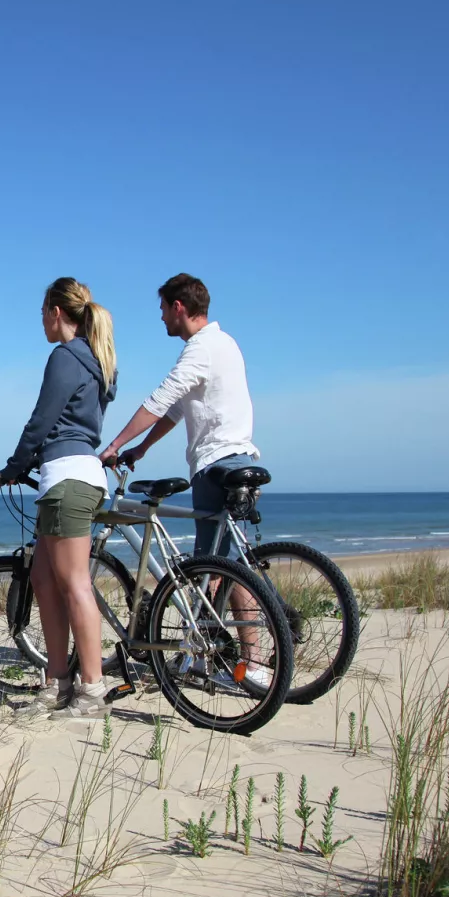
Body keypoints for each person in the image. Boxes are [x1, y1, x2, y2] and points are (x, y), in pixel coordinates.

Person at [100, 272, 270, 688]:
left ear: (179, 307)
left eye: (162, 310)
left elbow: (159, 401)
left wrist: (116, 443)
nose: (160, 319)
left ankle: (254, 662)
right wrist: (141, 450)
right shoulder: (225, 343)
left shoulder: (201, 349)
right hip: (237, 457)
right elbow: (178, 410)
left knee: (215, 568)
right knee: (224, 566)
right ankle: (229, 659)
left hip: (217, 464)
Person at [0, 278, 117, 719]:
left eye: (42, 311)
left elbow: (42, 421)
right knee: (44, 580)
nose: (41, 321)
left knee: (74, 583)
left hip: (68, 478)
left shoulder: (66, 356)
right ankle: (57, 682)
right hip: (65, 477)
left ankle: (93, 691)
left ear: (56, 312)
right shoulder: (95, 358)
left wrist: (11, 467)